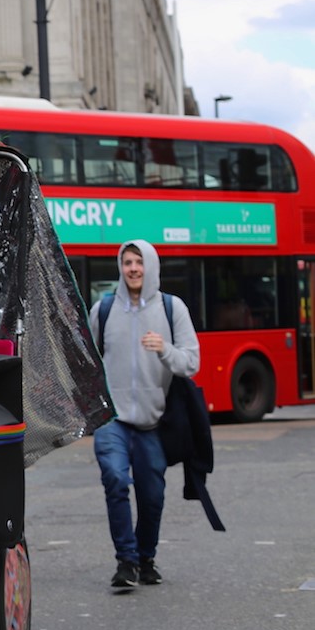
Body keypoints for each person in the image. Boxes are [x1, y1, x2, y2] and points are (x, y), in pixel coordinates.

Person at [90, 240, 199, 590]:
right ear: (120, 268)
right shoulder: (103, 310)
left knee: (152, 496)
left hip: (154, 422)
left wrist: (164, 350)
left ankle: (145, 557)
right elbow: (88, 361)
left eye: (139, 262)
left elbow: (191, 362)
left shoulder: (172, 308)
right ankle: (126, 561)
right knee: (116, 480)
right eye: (127, 262)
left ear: (150, 266)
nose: (133, 268)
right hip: (112, 421)